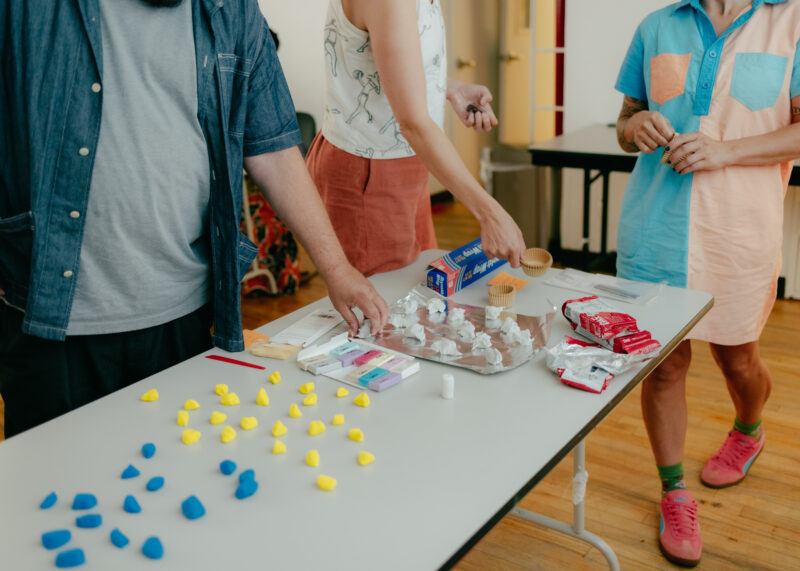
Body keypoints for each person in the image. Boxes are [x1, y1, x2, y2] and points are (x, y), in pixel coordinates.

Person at [0, 0, 388, 438]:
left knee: (176, 483)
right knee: (53, 493)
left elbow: (274, 146)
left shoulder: (231, 10)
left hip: (185, 314)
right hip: (55, 319)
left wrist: (336, 267)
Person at [615, 0, 800, 566]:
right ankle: (673, 492)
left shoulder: (791, 23)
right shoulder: (656, 26)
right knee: (664, 364)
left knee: (736, 357)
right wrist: (634, 126)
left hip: (739, 232)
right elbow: (625, 123)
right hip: (653, 230)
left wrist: (726, 152)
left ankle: (749, 429)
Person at [306, 0, 527, 276]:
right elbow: (412, 122)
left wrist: (451, 88)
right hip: (370, 169)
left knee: (420, 290)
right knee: (382, 308)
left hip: (408, 159)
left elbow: (392, 61)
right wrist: (491, 215)